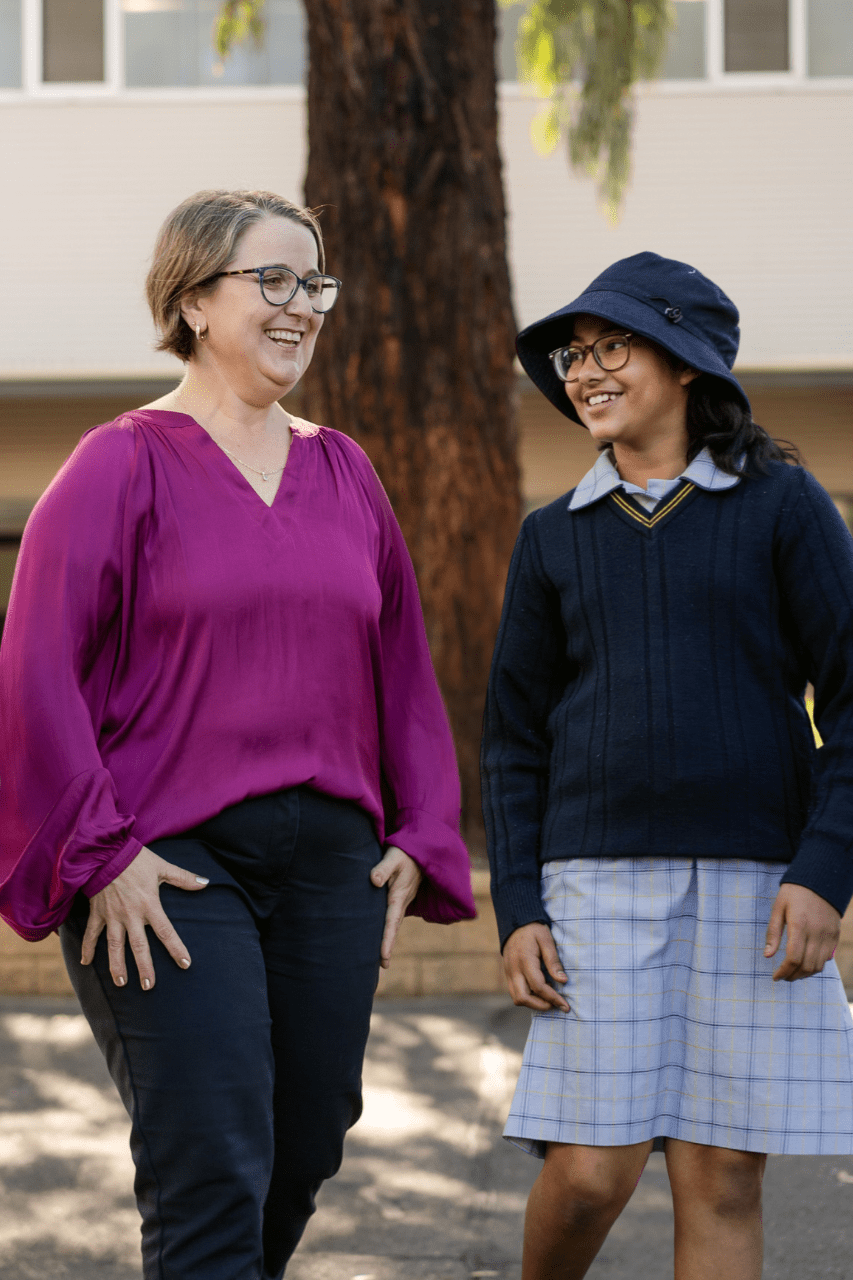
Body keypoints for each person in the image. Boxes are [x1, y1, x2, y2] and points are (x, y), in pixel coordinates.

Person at [0, 188, 476, 1280]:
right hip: (170, 868)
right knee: (209, 1160)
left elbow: (400, 667)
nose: (302, 306)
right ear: (193, 299)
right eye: (274, 280)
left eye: (315, 284)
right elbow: (33, 670)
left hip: (329, 866)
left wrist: (421, 829)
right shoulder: (120, 463)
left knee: (306, 1141)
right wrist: (98, 853)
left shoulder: (347, 470)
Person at [481, 251, 853, 1280]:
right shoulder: (550, 538)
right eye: (574, 353)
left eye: (611, 347)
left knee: (723, 1173)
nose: (583, 371)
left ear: (686, 363)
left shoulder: (782, 507)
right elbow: (513, 737)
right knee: (592, 1169)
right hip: (593, 891)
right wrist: (518, 903)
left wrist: (824, 868)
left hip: (758, 890)